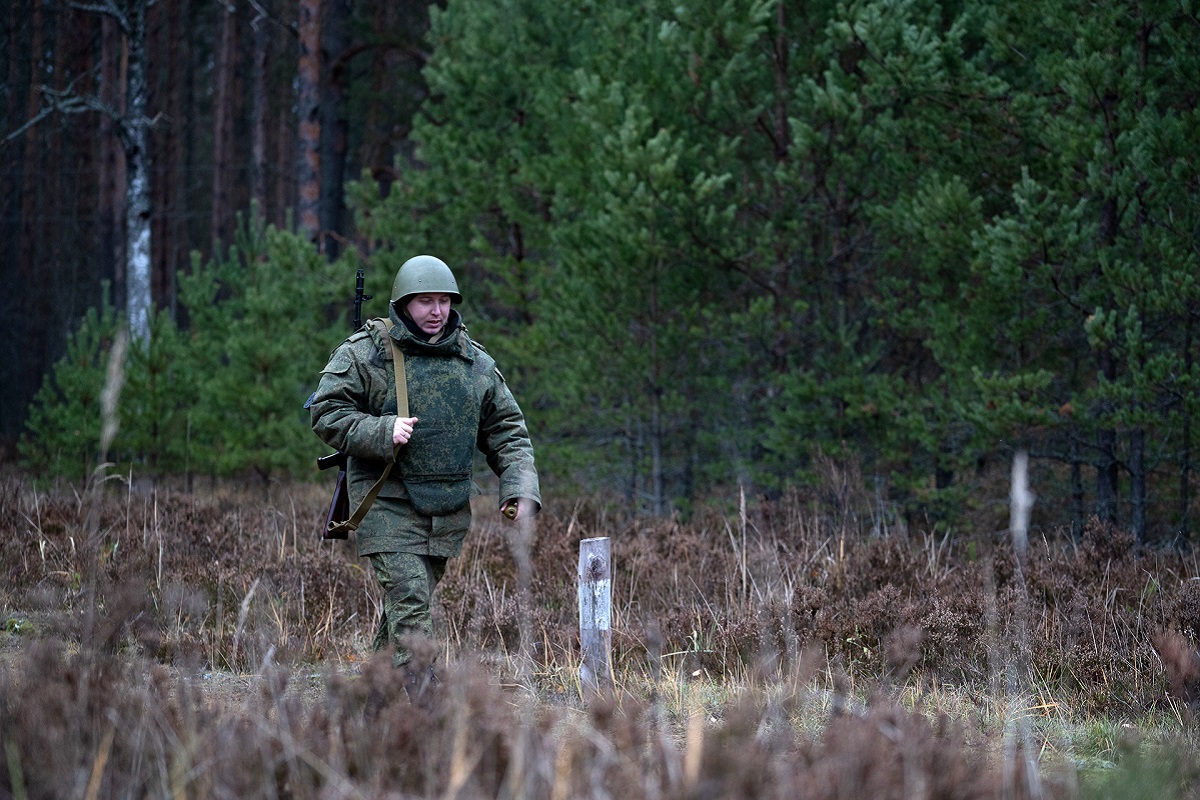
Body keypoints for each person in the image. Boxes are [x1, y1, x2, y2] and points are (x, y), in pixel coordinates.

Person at [309, 254, 540, 695]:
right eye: (425, 302)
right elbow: (326, 412)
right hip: (385, 503)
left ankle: (367, 708)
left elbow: (508, 433)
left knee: (402, 612)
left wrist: (519, 488)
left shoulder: (475, 364)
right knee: (412, 603)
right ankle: (425, 707)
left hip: (447, 512)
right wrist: (381, 429)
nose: (437, 312)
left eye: (444, 301)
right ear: (403, 303)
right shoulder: (366, 352)